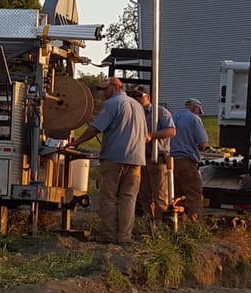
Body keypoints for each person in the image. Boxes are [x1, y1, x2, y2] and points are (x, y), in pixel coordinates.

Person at [73, 77, 147, 244]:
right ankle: (124, 238)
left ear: (115, 87)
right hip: (136, 159)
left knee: (109, 197)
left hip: (114, 158)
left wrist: (76, 142)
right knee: (128, 198)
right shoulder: (138, 106)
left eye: (105, 89)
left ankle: (109, 237)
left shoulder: (112, 104)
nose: (102, 93)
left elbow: (95, 129)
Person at [129, 85, 176, 220]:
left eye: (140, 96)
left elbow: (171, 131)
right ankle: (149, 224)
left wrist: (151, 135)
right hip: (141, 159)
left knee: (160, 195)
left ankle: (161, 226)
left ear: (148, 97)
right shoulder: (134, 113)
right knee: (144, 195)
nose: (136, 99)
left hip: (158, 159)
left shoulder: (160, 112)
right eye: (134, 96)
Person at [171, 98, 210, 221]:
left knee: (175, 194)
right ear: (195, 108)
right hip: (187, 161)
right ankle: (194, 224)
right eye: (199, 111)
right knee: (194, 194)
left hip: (169, 161)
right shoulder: (194, 119)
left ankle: (174, 221)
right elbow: (202, 143)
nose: (198, 114)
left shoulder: (172, 116)